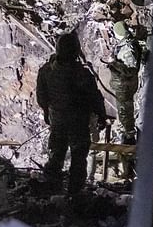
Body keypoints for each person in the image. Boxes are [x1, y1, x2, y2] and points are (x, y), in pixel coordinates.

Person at [36, 31, 109, 195]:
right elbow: (95, 98)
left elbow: (42, 97)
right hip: (78, 123)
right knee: (78, 158)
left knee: (56, 155)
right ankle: (74, 195)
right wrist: (101, 116)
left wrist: (48, 112)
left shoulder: (46, 71)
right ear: (76, 50)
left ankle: (51, 192)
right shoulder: (82, 74)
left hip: (58, 120)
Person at [109, 21, 143, 144]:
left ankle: (129, 135)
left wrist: (115, 65)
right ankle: (126, 131)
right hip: (123, 84)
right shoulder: (124, 45)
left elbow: (131, 70)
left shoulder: (128, 48)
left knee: (125, 109)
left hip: (126, 85)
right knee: (123, 109)